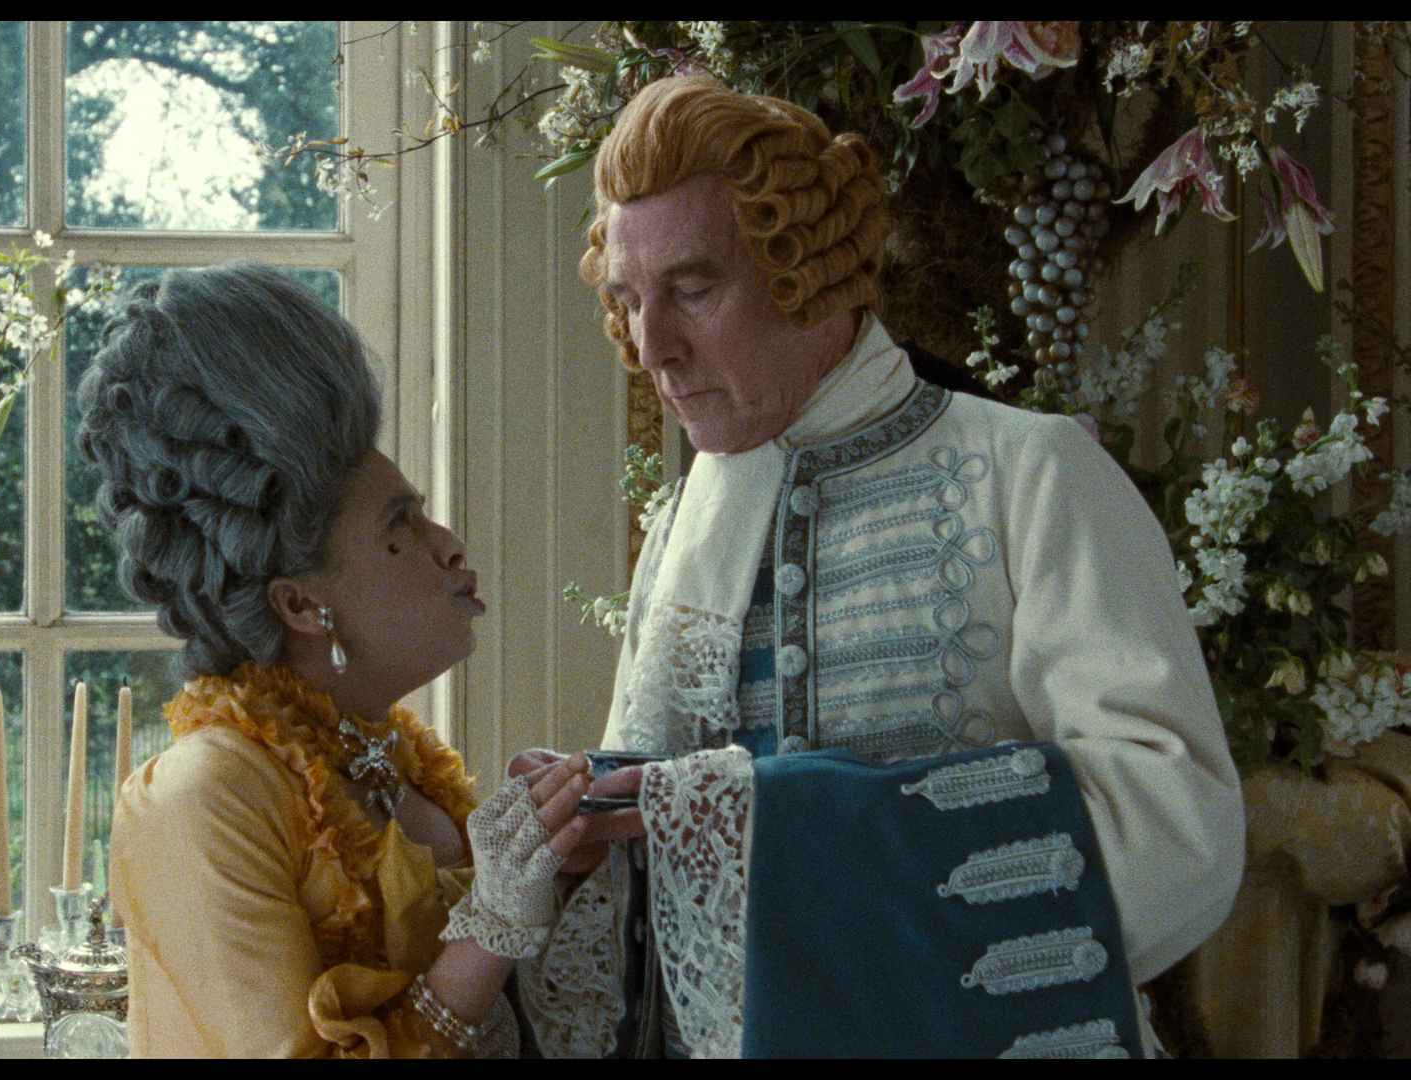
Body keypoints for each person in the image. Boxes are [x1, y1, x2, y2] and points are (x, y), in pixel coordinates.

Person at [514, 76, 1246, 1058]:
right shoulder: (687, 521)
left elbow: (1179, 825)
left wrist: (797, 834)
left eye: (692, 290)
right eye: (628, 300)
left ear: (808, 272)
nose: (653, 349)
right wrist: (585, 834)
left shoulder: (1030, 472)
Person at [76, 261, 592, 1057]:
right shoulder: (205, 793)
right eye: (401, 527)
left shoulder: (396, 759)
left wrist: (566, 860)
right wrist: (493, 923)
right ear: (300, 604)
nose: (451, 546)